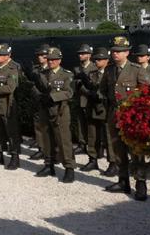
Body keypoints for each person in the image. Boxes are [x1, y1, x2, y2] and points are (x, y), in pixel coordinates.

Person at [103, 37, 150, 200]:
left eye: (119, 51)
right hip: (114, 115)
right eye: (113, 51)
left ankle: (141, 183)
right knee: (118, 149)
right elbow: (103, 90)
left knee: (136, 151)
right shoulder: (109, 70)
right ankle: (123, 181)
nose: (115, 54)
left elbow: (146, 92)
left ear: (127, 53)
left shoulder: (136, 70)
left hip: (132, 117)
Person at [35, 47, 76, 183]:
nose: (51, 61)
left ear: (59, 60)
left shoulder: (66, 75)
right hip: (45, 110)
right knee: (46, 138)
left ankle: (69, 168)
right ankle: (49, 165)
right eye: (49, 59)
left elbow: (69, 92)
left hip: (60, 111)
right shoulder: (42, 74)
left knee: (63, 140)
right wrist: (39, 96)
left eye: (54, 59)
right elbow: (36, 88)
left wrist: (52, 97)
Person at [0, 44, 21, 170]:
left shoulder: (12, 69)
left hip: (7, 104)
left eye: (0, 55)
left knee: (11, 131)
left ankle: (15, 157)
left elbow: (10, 87)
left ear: (7, 56)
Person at [79, 47, 111, 173]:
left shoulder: (111, 74)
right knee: (92, 135)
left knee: (108, 136)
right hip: (92, 108)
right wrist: (89, 92)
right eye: (96, 59)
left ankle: (112, 162)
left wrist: (99, 95)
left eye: (100, 59)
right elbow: (83, 88)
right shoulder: (92, 74)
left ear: (107, 60)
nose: (97, 61)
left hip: (106, 109)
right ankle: (93, 159)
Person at [26, 44, 50, 160]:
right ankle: (41, 148)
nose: (40, 57)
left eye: (42, 55)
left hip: (48, 101)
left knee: (50, 127)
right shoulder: (36, 69)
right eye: (39, 55)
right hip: (37, 100)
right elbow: (31, 83)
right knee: (38, 125)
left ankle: (53, 151)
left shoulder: (51, 69)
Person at [73, 44, 97, 155]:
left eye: (83, 53)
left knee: (92, 125)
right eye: (79, 54)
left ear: (89, 55)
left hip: (90, 100)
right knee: (80, 123)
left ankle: (95, 146)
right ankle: (82, 144)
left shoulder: (94, 68)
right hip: (79, 99)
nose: (80, 55)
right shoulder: (77, 69)